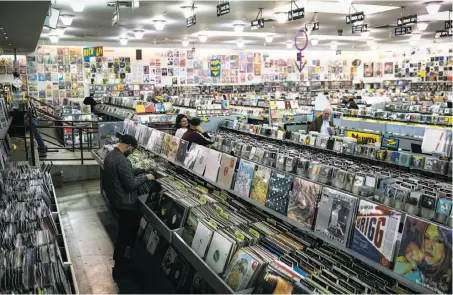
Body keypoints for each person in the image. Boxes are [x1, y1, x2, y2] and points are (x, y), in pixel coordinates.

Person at [102, 134, 155, 280]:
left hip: (116, 200)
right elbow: (130, 184)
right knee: (126, 235)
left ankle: (121, 261)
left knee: (124, 233)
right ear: (128, 146)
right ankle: (120, 266)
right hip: (126, 203)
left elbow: (124, 173)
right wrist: (147, 177)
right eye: (132, 149)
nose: (132, 152)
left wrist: (141, 171)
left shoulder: (111, 155)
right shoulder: (123, 160)